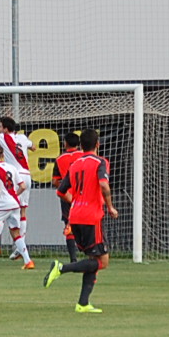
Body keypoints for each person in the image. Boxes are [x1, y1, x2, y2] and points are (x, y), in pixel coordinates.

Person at [44, 128, 118, 313]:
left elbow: (60, 191)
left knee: (93, 259)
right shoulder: (101, 162)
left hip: (74, 216)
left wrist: (76, 201)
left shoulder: (75, 164)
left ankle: (83, 303)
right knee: (103, 261)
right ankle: (61, 268)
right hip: (91, 217)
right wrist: (110, 206)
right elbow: (103, 184)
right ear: (97, 145)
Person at [0, 116, 34, 265]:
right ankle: (18, 246)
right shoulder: (22, 137)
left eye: (0, 126)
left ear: (5, 128)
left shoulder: (2, 137)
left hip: (15, 176)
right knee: (21, 211)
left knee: (0, 206)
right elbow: (32, 146)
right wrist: (30, 148)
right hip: (27, 176)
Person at [51, 130, 85, 266]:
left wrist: (64, 188)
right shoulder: (84, 156)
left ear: (65, 143)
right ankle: (93, 253)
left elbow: (55, 182)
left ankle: (73, 258)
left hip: (67, 196)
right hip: (84, 194)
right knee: (89, 224)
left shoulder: (59, 159)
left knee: (69, 225)